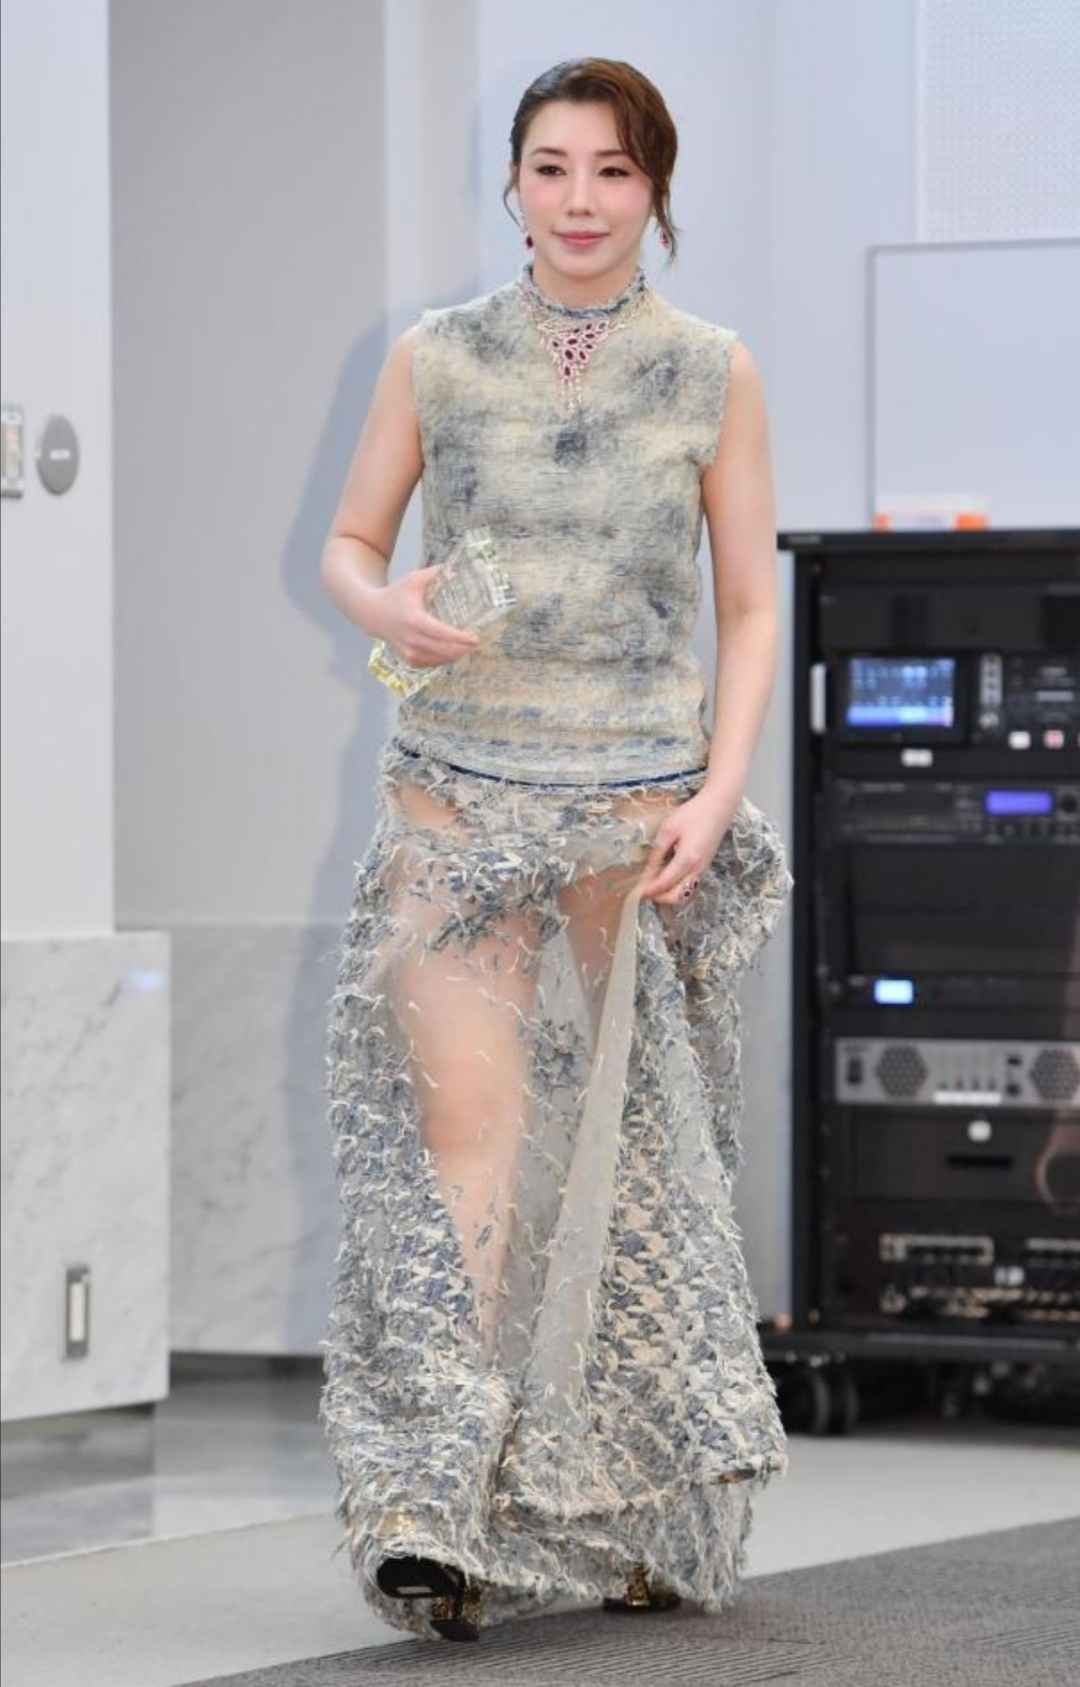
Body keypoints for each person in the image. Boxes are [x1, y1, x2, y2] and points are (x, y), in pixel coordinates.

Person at [317, 56, 793, 1646]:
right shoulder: (437, 356)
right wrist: (385, 608)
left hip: (639, 814)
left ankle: (639, 1511)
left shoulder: (711, 370)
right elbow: (350, 542)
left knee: (631, 1163)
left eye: (612, 171)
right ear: (513, 183)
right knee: (467, 1143)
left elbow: (748, 605)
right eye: (551, 167)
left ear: (655, 190)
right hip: (457, 799)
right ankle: (431, 1508)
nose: (580, 200)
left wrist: (718, 794)